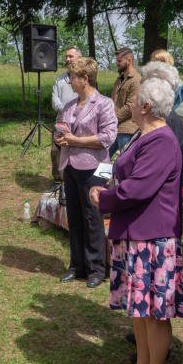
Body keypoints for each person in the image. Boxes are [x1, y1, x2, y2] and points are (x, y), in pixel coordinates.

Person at [89, 76, 183, 364]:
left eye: (134, 99)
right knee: (140, 308)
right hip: (135, 233)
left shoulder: (160, 140)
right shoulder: (146, 135)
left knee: (156, 313)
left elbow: (138, 188)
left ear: (145, 106)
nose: (129, 103)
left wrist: (103, 199)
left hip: (152, 237)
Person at [56, 57, 117, 288]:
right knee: (75, 217)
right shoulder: (69, 105)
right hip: (70, 166)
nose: (69, 81)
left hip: (94, 168)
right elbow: (61, 132)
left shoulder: (104, 103)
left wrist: (76, 140)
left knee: (93, 219)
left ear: (85, 79)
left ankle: (97, 269)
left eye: (73, 77)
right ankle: (77, 266)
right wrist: (60, 138)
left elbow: (107, 137)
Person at [48, 46, 82, 191]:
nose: (67, 59)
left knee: (75, 152)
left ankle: (72, 183)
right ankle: (57, 182)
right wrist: (63, 109)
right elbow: (54, 98)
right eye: (66, 56)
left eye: (71, 56)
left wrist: (70, 112)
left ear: (79, 58)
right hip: (60, 121)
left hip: (77, 121)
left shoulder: (84, 79)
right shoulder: (60, 79)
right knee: (56, 151)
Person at [109, 47, 141, 157]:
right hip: (113, 128)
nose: (117, 63)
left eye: (119, 61)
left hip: (128, 129)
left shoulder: (137, 80)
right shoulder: (118, 80)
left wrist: (112, 119)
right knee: (103, 157)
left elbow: (130, 106)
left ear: (129, 61)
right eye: (116, 60)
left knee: (125, 160)